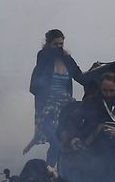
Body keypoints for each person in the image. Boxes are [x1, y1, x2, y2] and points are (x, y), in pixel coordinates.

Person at [26, 30, 85, 164]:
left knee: (62, 143)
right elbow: (35, 86)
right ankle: (50, 172)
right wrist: (62, 53)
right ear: (48, 45)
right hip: (47, 107)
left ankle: (56, 173)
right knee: (55, 141)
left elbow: (80, 76)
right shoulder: (43, 56)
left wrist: (95, 72)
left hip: (65, 107)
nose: (59, 47)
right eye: (55, 44)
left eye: (61, 44)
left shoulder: (66, 59)